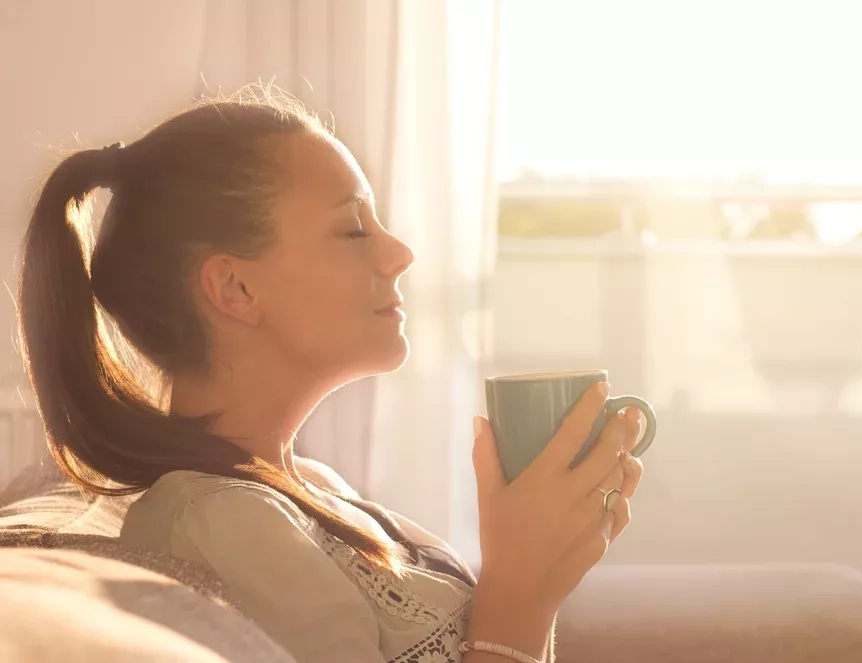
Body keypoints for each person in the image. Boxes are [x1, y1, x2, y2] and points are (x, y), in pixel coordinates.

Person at [17, 88, 645, 663]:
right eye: (352, 228)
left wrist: (541, 564)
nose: (399, 254)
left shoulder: (306, 487)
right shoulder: (221, 524)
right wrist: (522, 592)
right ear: (236, 287)